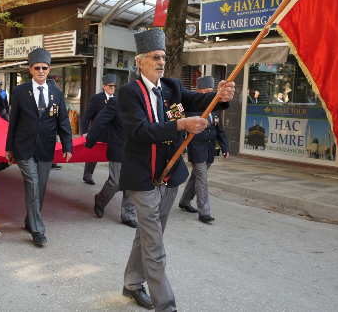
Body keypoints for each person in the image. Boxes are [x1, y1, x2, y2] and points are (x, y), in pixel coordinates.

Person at [119, 28, 234, 311]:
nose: (160, 61)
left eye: (163, 56)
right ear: (140, 62)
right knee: (154, 243)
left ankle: (132, 284)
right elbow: (141, 131)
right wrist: (183, 125)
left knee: (149, 233)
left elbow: (199, 101)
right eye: (154, 57)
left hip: (170, 175)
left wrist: (219, 96)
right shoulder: (129, 93)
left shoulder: (172, 87)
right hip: (143, 176)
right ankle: (166, 305)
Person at [5, 48, 73, 246]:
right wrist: (9, 148)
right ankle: (38, 231)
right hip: (23, 147)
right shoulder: (20, 91)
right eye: (37, 68)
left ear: (49, 69)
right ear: (30, 70)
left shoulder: (57, 93)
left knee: (40, 188)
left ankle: (30, 220)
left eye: (44, 68)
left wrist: (67, 144)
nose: (41, 71)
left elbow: (63, 121)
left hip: (46, 147)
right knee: (33, 184)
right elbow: (14, 121)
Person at [85, 71, 136, 228]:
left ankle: (128, 214)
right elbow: (99, 121)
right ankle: (100, 201)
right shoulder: (115, 103)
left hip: (136, 149)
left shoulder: (146, 103)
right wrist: (90, 141)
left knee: (132, 182)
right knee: (115, 182)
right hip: (118, 147)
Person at [178, 76, 230, 223]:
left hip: (209, 148)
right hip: (195, 148)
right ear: (198, 90)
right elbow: (181, 128)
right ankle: (204, 212)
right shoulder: (190, 106)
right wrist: (182, 148)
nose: (210, 94)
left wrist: (225, 147)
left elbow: (219, 129)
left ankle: (184, 201)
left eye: (211, 91)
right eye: (207, 91)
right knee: (202, 178)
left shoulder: (215, 107)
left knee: (196, 176)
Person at [80, 74, 117, 185]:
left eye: (114, 86)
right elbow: (87, 116)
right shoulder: (97, 98)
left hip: (112, 134)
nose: (112, 88)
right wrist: (85, 131)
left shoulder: (117, 99)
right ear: (104, 86)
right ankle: (87, 175)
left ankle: (114, 179)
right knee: (93, 155)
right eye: (110, 86)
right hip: (98, 132)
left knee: (114, 157)